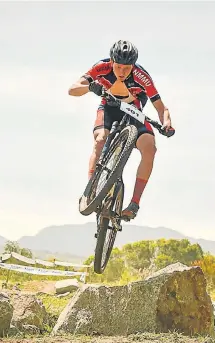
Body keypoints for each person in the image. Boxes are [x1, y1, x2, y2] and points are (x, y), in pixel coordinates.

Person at [68, 40, 173, 220]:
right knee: (100, 140)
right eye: (118, 67)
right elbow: (72, 90)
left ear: (133, 66)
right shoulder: (101, 67)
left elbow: (161, 108)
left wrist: (167, 123)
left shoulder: (142, 76)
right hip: (108, 109)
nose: (122, 72)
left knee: (150, 148)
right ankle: (90, 191)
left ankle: (134, 203)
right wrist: (89, 87)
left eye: (127, 68)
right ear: (111, 61)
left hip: (134, 111)